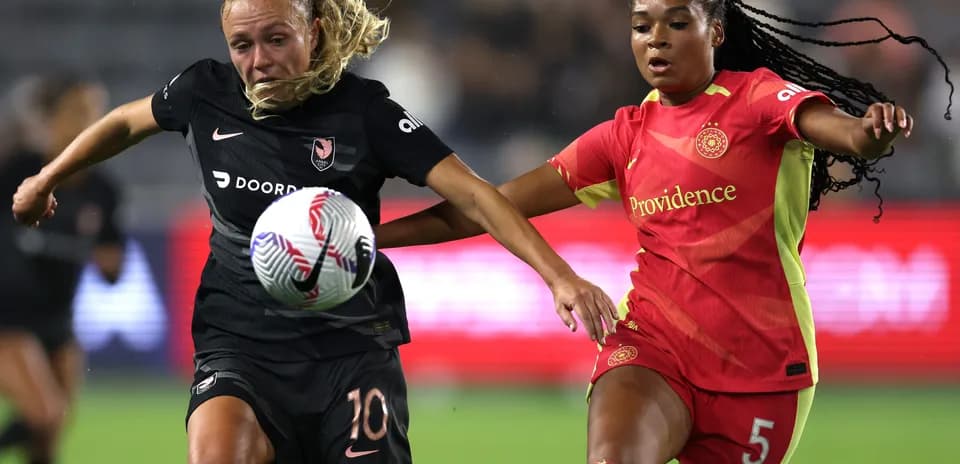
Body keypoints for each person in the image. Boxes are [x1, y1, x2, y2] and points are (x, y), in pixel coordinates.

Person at [10, 1, 618, 463]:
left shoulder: (365, 112)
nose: (258, 61)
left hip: (350, 353)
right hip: (239, 345)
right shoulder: (205, 92)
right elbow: (123, 122)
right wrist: (48, 177)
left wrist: (559, 276)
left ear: (315, 31)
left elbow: (477, 196)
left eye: (277, 39)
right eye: (241, 44)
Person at [374, 0, 954, 463]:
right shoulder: (623, 136)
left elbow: (847, 135)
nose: (656, 39)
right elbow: (488, 205)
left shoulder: (757, 100)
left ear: (715, 31)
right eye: (641, 26)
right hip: (652, 346)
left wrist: (869, 132)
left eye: (677, 23)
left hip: (763, 368)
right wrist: (374, 235)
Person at [0, 75, 125, 464]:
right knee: (45, 414)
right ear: (50, 119)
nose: (88, 121)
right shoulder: (18, 169)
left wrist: (106, 260)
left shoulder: (103, 189)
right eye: (77, 111)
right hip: (9, 318)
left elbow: (113, 268)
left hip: (59, 321)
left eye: (95, 112)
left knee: (48, 438)